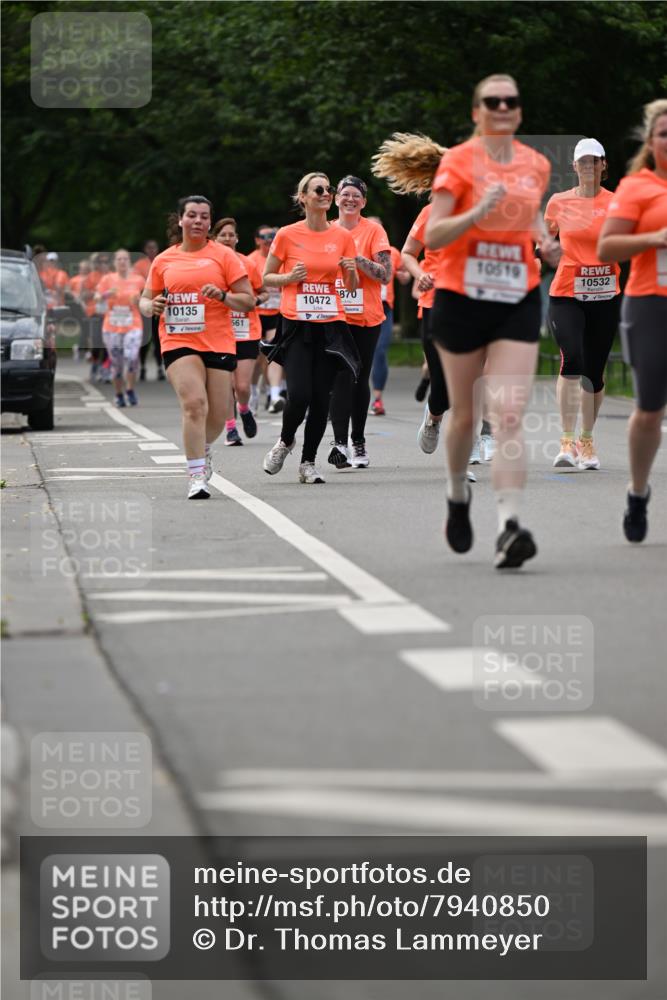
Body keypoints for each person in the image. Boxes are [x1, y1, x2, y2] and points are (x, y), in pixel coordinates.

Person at [424, 74, 559, 568]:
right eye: (492, 101)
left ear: (519, 112)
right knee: (463, 414)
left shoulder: (536, 164)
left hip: (516, 296)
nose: (502, 107)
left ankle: (508, 525)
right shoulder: (457, 161)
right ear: (476, 111)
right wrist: (477, 211)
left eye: (511, 101)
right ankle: (457, 495)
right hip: (460, 297)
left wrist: (547, 242)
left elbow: (532, 219)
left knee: (506, 414)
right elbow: (435, 234)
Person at [139, 195, 254, 499]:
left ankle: (202, 449)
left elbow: (248, 300)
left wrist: (222, 296)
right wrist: (152, 305)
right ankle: (196, 475)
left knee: (217, 415)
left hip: (217, 340)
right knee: (194, 405)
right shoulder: (164, 259)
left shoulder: (224, 256)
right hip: (178, 339)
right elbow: (143, 300)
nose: (198, 221)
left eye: (204, 216)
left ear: (209, 222)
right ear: (180, 220)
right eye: (192, 215)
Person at [598, 98, 667, 542]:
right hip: (650, 304)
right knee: (649, 408)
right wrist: (655, 237)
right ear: (652, 141)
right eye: (664, 133)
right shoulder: (637, 187)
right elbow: (607, 249)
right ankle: (638, 491)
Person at [262, 172, 359, 484]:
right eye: (318, 189)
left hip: (330, 325)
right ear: (302, 197)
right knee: (300, 393)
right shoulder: (288, 235)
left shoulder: (343, 236)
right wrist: (289, 279)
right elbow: (267, 277)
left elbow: (351, 285)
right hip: (296, 323)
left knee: (321, 398)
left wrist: (352, 272)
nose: (325, 193)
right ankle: (285, 440)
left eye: (328, 189)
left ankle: (308, 463)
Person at [544, 139, 621, 470]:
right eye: (583, 162)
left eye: (595, 161)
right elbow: (544, 242)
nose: (589, 166)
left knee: (595, 373)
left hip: (605, 295)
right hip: (567, 294)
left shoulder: (619, 204)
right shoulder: (559, 202)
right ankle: (565, 440)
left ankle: (586, 441)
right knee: (572, 358)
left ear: (604, 165)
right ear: (574, 167)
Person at [326, 176, 391, 469]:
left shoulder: (373, 231)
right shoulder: (324, 230)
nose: (350, 199)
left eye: (356, 195)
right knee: (340, 376)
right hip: (334, 315)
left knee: (358, 377)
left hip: (367, 316)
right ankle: (340, 443)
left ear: (363, 202)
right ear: (335, 199)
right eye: (345, 194)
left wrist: (357, 259)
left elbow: (385, 274)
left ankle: (359, 440)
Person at [212, 217, 262, 444]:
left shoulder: (247, 264)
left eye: (231, 235)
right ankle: (231, 429)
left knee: (242, 386)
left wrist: (255, 300)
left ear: (237, 239)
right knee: (227, 384)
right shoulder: (209, 265)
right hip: (219, 331)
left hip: (246, 331)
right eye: (223, 235)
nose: (228, 238)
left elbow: (263, 292)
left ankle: (244, 408)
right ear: (215, 239)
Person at [95, 249, 145, 407]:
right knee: (116, 364)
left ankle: (129, 389)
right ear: (114, 262)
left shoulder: (138, 280)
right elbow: (96, 298)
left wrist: (139, 300)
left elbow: (147, 299)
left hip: (133, 324)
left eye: (125, 259)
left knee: (132, 357)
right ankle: (118, 394)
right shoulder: (107, 279)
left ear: (129, 261)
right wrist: (107, 294)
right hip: (112, 326)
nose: (122, 262)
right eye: (119, 259)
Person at [369, 227, 410, 415]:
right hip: (361, 305)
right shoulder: (356, 246)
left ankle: (377, 398)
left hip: (384, 307)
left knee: (379, 350)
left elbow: (405, 276)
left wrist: (403, 276)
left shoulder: (392, 252)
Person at [247, 224, 285, 413]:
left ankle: (275, 394)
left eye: (273, 236)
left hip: (276, 314)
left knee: (273, 354)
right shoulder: (250, 261)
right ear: (257, 240)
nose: (269, 239)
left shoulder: (280, 259)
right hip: (255, 315)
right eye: (265, 236)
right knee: (256, 359)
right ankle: (253, 393)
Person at [133, 239, 165, 382]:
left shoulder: (162, 261)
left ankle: (159, 367)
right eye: (149, 248)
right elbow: (135, 284)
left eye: (154, 248)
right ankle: (143, 366)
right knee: (145, 339)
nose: (152, 250)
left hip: (160, 304)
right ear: (145, 250)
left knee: (158, 339)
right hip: (146, 304)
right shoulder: (139, 265)